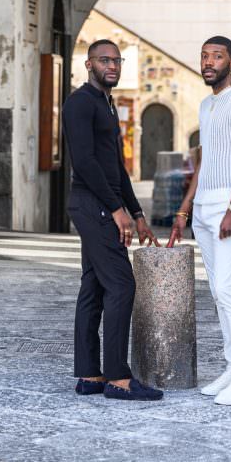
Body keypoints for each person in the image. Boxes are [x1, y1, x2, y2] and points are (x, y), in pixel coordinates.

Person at [62, 38, 163, 401]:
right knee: (121, 285)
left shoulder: (106, 104)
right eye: (104, 60)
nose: (112, 66)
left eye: (117, 61)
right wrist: (115, 209)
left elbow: (116, 167)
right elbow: (85, 162)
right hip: (92, 204)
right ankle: (118, 378)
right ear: (89, 65)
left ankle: (90, 375)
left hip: (101, 204)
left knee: (94, 286)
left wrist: (137, 213)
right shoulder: (79, 103)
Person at [167, 36, 231, 406]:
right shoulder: (206, 104)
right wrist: (184, 209)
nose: (208, 62)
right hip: (204, 206)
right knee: (218, 293)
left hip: (228, 205)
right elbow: (204, 162)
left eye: (217, 56)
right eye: (204, 56)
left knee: (227, 288)